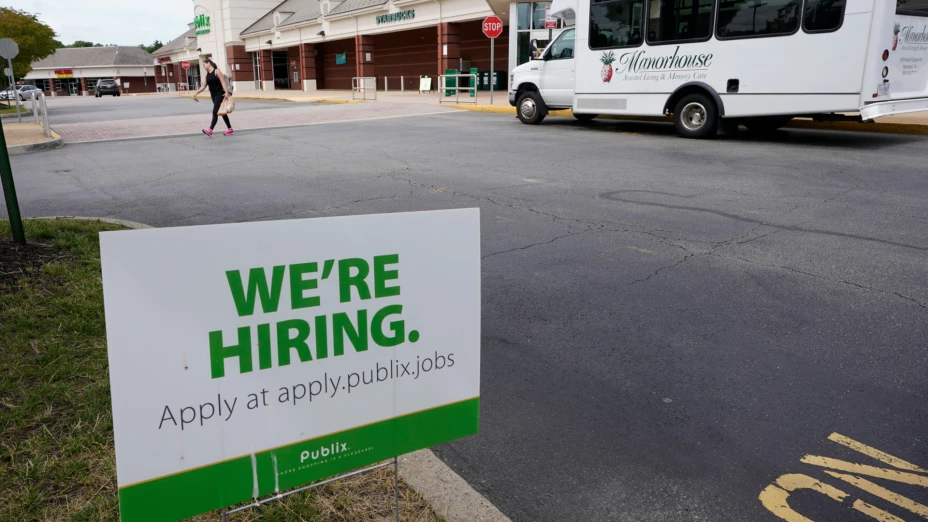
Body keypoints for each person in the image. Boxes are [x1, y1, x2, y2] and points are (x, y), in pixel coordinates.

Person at [192, 58, 233, 136]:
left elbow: (223, 82)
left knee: (215, 112)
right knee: (222, 112)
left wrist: (226, 92)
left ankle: (210, 130)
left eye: (204, 64)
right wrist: (196, 93)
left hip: (220, 93)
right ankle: (230, 129)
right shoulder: (207, 75)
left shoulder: (217, 71)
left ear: (209, 63)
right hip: (213, 95)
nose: (203, 66)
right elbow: (203, 86)